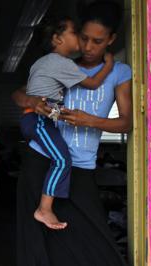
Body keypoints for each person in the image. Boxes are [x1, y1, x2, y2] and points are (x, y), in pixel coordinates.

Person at [12, 1, 131, 265]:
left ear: (111, 39)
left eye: (97, 41)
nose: (89, 47)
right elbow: (19, 94)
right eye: (84, 38)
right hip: (41, 163)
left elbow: (125, 124)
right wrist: (32, 102)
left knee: (99, 250)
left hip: (81, 168)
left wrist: (90, 120)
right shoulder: (62, 63)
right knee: (40, 249)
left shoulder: (120, 73)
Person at [20, 16, 114, 230]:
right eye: (74, 33)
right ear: (57, 39)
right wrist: (108, 65)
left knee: (60, 158)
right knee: (62, 160)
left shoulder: (43, 62)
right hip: (38, 120)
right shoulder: (60, 62)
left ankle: (45, 207)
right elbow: (92, 83)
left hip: (37, 119)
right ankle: (44, 208)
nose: (79, 37)